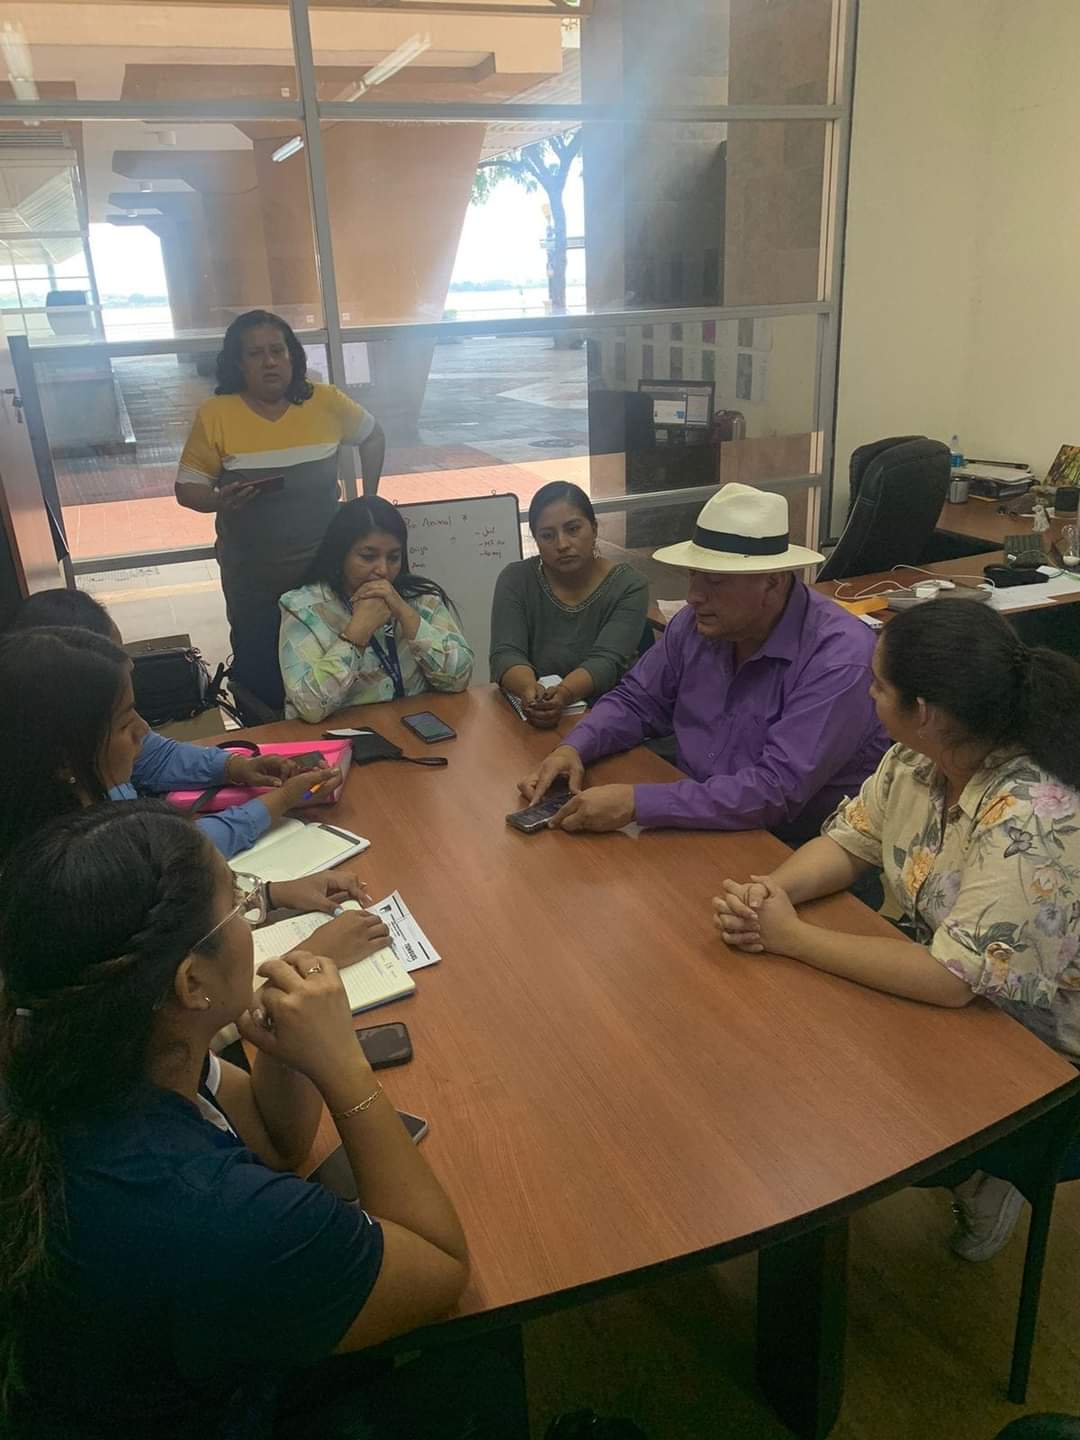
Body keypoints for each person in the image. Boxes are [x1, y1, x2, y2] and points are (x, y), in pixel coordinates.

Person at [0, 801, 492, 1439]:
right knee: (480, 1364)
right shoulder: (215, 1212)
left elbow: (275, 1139)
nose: (250, 918)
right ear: (191, 983)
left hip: (111, 1380)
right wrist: (344, 1068)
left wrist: (285, 1037)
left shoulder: (94, 1047)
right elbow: (439, 1267)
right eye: (237, 904)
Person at [713, 599, 1080, 1262]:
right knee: (780, 1043)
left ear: (925, 710)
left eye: (879, 685)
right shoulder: (917, 758)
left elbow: (950, 981)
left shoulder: (1033, 813)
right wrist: (774, 891)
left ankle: (987, 1173)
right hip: (952, 981)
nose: (868, 693)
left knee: (837, 1102)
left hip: (1042, 1049)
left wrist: (790, 937)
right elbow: (850, 840)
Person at [519, 483, 887, 841]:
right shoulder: (696, 625)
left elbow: (775, 791)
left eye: (715, 581)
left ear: (773, 582)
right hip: (697, 813)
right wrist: (574, 747)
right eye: (694, 575)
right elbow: (637, 700)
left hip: (792, 843)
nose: (693, 596)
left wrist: (637, 803)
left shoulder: (839, 659)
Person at [175, 310, 386, 717]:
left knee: (332, 669)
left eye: (278, 350)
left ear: (293, 356)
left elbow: (373, 436)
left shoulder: (325, 401)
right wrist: (218, 501)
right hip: (254, 580)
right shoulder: (217, 414)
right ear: (238, 364)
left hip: (324, 573)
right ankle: (267, 746)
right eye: (255, 354)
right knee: (262, 675)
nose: (269, 362)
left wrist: (369, 500)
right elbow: (187, 489)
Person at [0, 620, 342, 866]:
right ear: (65, 760)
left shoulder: (77, 784)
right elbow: (182, 852)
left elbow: (157, 757)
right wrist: (283, 798)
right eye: (125, 721)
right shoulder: (89, 853)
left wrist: (236, 767)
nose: (143, 728)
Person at [279, 496, 473, 724]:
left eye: (393, 557)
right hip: (338, 736)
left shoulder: (419, 598)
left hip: (415, 728)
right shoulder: (303, 608)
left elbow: (459, 678)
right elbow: (310, 706)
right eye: (368, 557)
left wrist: (406, 615)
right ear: (341, 554)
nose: (383, 569)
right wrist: (357, 633)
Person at [490, 482, 649, 729]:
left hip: (608, 716)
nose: (562, 544)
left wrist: (564, 694)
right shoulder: (515, 579)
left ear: (594, 528)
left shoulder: (629, 586)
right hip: (531, 715)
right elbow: (505, 653)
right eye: (547, 535)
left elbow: (606, 661)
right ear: (536, 539)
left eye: (573, 529)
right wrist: (529, 691)